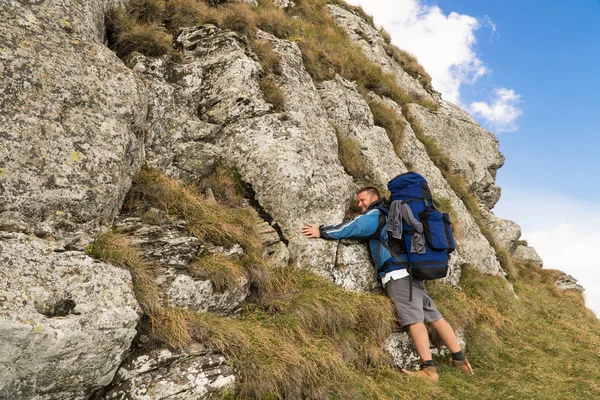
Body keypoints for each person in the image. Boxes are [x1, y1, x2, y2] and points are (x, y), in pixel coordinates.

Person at [301, 186, 473, 382]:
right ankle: (461, 361)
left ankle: (429, 371)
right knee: (434, 317)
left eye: (362, 200)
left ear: (374, 197)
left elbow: (351, 227)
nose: (359, 204)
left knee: (414, 320)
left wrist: (321, 231)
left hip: (397, 275)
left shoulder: (376, 214)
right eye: (358, 201)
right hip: (413, 272)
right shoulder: (394, 213)